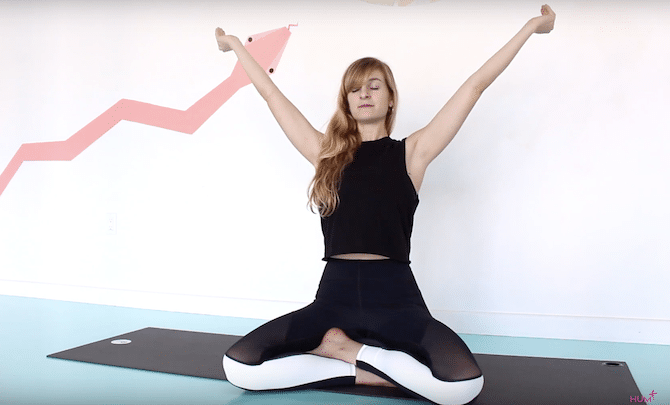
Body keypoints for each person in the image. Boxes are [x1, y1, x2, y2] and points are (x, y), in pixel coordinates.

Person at [215, 5, 555, 405]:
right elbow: (271, 95)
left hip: (396, 299)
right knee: (238, 366)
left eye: (374, 86)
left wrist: (532, 27)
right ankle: (374, 367)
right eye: (355, 88)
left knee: (463, 385)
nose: (363, 93)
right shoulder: (326, 154)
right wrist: (236, 45)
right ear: (346, 100)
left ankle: (349, 355)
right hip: (333, 298)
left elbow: (474, 86)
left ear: (391, 99)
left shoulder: (412, 153)